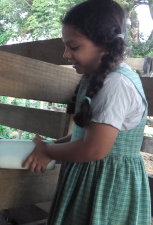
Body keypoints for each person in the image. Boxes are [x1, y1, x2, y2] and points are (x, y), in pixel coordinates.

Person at [22, 0, 151, 224]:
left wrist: (49, 152)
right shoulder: (95, 78)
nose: (65, 54)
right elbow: (86, 134)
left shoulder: (116, 84)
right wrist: (53, 145)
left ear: (105, 44)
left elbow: (94, 149)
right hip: (90, 178)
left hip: (107, 186)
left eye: (74, 46)